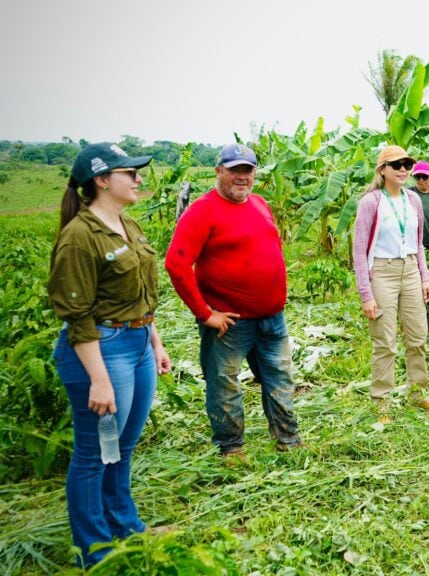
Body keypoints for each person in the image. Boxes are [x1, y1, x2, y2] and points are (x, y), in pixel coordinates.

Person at [48, 143, 172, 567]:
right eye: (129, 173)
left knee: (122, 446)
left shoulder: (128, 225)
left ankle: (126, 527)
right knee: (93, 454)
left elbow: (139, 296)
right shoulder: (79, 237)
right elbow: (77, 314)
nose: (138, 179)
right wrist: (98, 378)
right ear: (102, 180)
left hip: (136, 346)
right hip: (100, 350)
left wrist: (155, 342)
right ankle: (95, 551)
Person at [165, 143, 302, 457]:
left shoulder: (259, 203)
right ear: (218, 171)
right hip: (230, 322)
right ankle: (231, 447)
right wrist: (204, 313)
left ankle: (288, 439)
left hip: (271, 317)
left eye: (248, 170)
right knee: (225, 384)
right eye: (234, 170)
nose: (242, 176)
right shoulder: (202, 210)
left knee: (280, 378)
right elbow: (176, 263)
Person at [353, 145, 429, 413]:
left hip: (411, 270)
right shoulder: (371, 201)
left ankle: (418, 395)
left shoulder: (413, 200)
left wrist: (425, 277)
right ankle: (381, 402)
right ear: (382, 170)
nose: (404, 169)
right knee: (385, 342)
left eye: (407, 164)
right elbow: (358, 251)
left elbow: (418, 244)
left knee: (417, 338)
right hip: (382, 272)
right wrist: (366, 294)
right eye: (397, 165)